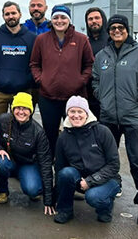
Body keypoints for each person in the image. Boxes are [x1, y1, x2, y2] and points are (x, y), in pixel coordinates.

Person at [93, 14, 138, 225]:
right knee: (105, 160)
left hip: (135, 118)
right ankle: (107, 196)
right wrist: (102, 96)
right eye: (112, 28)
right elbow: (95, 80)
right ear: (108, 31)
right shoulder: (102, 55)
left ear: (127, 29)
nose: (116, 31)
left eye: (120, 27)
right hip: (108, 117)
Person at [29, 5, 94, 153]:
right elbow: (34, 64)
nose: (59, 21)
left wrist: (80, 81)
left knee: (75, 133)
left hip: (74, 98)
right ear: (51, 20)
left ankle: (73, 166)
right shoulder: (41, 40)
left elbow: (89, 64)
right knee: (49, 134)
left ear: (69, 20)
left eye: (63, 17)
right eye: (56, 17)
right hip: (47, 97)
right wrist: (41, 80)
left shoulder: (82, 39)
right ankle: (50, 164)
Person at [53, 96, 120, 224]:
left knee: (93, 197)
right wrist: (53, 198)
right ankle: (65, 210)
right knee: (66, 173)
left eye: (80, 112)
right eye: (72, 112)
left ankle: (106, 207)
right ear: (67, 113)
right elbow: (59, 167)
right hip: (80, 179)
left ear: (87, 113)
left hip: (107, 179)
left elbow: (114, 165)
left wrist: (90, 181)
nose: (76, 115)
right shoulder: (64, 137)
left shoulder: (102, 131)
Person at [0, 92, 54, 215]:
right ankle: (3, 191)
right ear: (12, 109)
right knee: (0, 161)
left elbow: (46, 163)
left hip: (27, 164)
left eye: (25, 108)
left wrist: (48, 199)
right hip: (8, 160)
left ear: (31, 111)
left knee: (32, 189)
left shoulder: (38, 132)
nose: (21, 112)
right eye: (18, 108)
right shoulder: (2, 121)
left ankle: (34, 188)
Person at [0, 1, 37, 121]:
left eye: (13, 13)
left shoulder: (32, 38)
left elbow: (38, 64)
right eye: (7, 14)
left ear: (20, 14)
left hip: (23, 90)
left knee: (23, 126)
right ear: (3, 16)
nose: (11, 16)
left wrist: (27, 79)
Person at [84, 7, 110, 119]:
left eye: (97, 18)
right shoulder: (84, 42)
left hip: (108, 95)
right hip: (89, 95)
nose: (93, 21)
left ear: (103, 20)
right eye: (90, 19)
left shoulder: (112, 42)